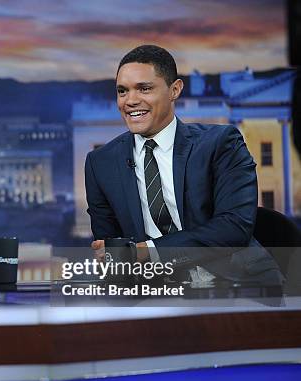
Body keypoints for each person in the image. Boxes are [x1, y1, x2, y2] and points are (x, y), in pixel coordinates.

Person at [84, 45, 283, 285]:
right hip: (153, 295)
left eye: (144, 89)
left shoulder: (220, 144)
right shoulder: (100, 163)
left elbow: (233, 229)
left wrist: (149, 251)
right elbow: (112, 252)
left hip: (238, 286)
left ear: (174, 90)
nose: (131, 101)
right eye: (122, 91)